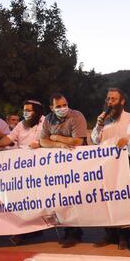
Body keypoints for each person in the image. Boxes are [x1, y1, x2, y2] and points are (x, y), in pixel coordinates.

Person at [91, 88, 130, 250]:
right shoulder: (103, 118)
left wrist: (128, 141)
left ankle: (124, 236)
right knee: (105, 199)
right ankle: (109, 234)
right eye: (108, 99)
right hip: (104, 165)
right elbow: (94, 140)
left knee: (122, 199)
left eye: (114, 99)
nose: (110, 102)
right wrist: (99, 126)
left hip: (124, 165)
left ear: (122, 102)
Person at [40, 93, 88, 248]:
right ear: (51, 108)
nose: (62, 108)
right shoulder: (48, 119)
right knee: (62, 197)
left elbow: (77, 141)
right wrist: (59, 145)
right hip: (58, 166)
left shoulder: (76, 116)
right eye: (58, 106)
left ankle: (75, 232)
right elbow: (42, 141)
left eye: (64, 104)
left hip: (78, 164)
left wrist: (55, 138)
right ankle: (69, 230)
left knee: (75, 197)